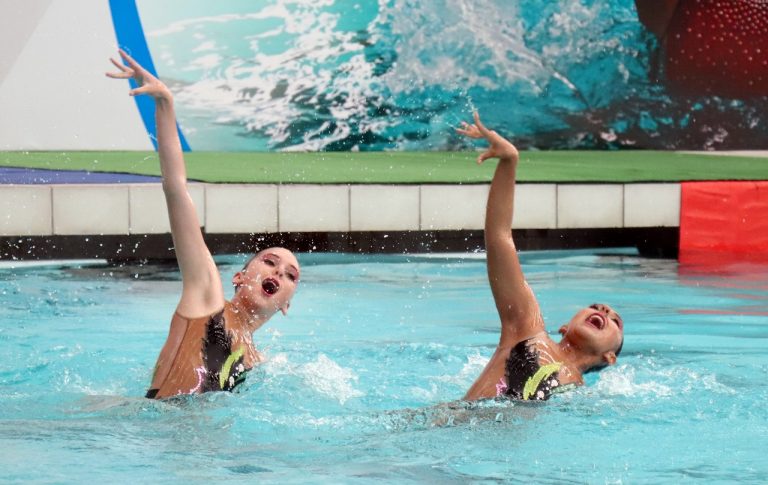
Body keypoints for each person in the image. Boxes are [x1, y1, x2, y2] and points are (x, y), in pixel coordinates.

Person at [106, 50, 300, 399]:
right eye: (269, 261)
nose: (278, 273)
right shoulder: (206, 292)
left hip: (201, 449)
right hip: (159, 431)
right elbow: (175, 188)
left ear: (287, 304)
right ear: (239, 277)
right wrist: (165, 105)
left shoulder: (258, 360)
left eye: (290, 275)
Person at [456, 113, 624, 401]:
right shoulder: (527, 330)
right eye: (597, 307)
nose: (605, 312)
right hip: (450, 432)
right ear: (564, 328)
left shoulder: (581, 397)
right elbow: (499, 236)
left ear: (610, 357)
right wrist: (509, 162)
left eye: (616, 321)